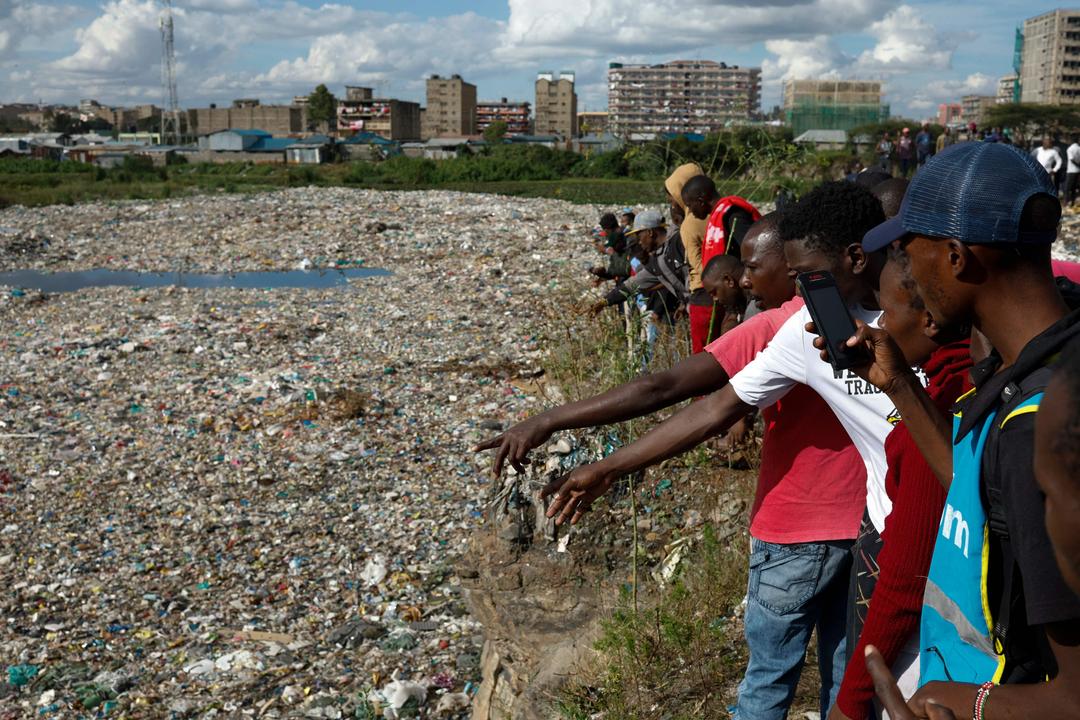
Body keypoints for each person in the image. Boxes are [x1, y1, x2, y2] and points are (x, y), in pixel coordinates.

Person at [484, 212, 866, 720]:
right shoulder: (887, 321)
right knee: (846, 680)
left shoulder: (784, 326)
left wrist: (554, 422)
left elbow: (667, 390)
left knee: (769, 679)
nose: (746, 279)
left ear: (793, 265)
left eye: (755, 267)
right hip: (869, 529)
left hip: (794, 529)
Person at [847, 141, 1080, 716]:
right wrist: (899, 384)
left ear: (956, 257)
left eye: (909, 246)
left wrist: (946, 700)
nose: (902, 266)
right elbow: (987, 495)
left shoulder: (1042, 425)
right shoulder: (1019, 362)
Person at [829, 251, 972, 720]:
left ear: (929, 319)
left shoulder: (944, 410)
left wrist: (848, 704)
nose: (877, 326)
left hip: (937, 659)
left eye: (886, 313)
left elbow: (905, 583)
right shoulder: (967, 379)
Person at [680, 174, 761, 349]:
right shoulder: (719, 216)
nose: (691, 211)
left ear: (701, 200)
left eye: (690, 205)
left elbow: (754, 250)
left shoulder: (732, 214)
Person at [665, 164, 710, 351]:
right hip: (719, 291)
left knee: (703, 356)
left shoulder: (690, 224)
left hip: (704, 295)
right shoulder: (716, 213)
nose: (671, 203)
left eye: (673, 197)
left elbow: (697, 264)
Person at [701, 254, 746, 339]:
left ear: (729, 280)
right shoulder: (739, 307)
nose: (715, 299)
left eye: (714, 292)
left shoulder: (757, 307)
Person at [1066, 136, 1080, 206]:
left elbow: (1071, 159)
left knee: (1067, 188)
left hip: (1071, 170)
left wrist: (1078, 165)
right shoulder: (1079, 148)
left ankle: (1067, 203)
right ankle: (1073, 202)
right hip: (1078, 171)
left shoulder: (1070, 149)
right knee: (1074, 188)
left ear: (1071, 141)